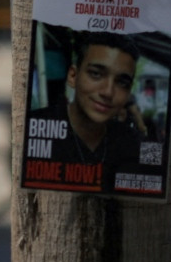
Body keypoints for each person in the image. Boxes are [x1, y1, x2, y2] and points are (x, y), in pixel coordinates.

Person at [42, 31, 145, 167]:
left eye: (122, 82)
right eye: (96, 74)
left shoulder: (134, 143)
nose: (108, 92)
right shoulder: (35, 126)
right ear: (73, 76)